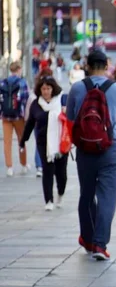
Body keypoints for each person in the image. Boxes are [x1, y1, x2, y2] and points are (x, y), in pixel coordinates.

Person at [66, 50, 116, 261]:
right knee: (107, 197)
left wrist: (74, 142)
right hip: (109, 148)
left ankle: (87, 239)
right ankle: (100, 245)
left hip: (84, 150)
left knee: (86, 195)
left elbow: (70, 119)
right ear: (107, 65)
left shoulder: (77, 88)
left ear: (87, 65)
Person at [20, 77, 68, 211]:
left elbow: (71, 119)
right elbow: (30, 123)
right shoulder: (36, 104)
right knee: (47, 170)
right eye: (43, 89)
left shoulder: (62, 100)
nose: (45, 91)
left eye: (48, 88)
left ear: (53, 88)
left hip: (61, 142)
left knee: (61, 173)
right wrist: (23, 140)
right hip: (43, 142)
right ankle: (48, 200)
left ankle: (60, 193)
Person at [0, 61, 30, 177]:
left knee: (7, 142)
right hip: (19, 116)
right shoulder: (22, 82)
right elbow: (26, 99)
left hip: (5, 116)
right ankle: (23, 165)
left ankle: (9, 167)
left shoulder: (3, 82)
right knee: (21, 140)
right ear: (18, 69)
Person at [26, 68, 54, 178]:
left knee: (39, 143)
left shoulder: (35, 90)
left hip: (37, 121)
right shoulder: (52, 89)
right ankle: (48, 164)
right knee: (49, 143)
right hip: (50, 121)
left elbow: (30, 105)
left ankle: (39, 166)